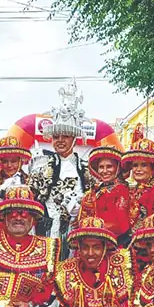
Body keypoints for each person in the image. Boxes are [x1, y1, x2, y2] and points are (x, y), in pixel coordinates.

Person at [29, 82, 90, 257]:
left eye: (66, 136)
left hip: (75, 231)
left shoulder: (86, 169)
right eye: (56, 137)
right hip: (45, 231)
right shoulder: (41, 167)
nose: (60, 140)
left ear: (74, 139)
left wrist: (82, 208)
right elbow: (32, 200)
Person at [77, 146, 132, 245]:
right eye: (101, 167)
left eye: (109, 166)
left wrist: (93, 228)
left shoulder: (121, 191)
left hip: (114, 243)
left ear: (118, 168)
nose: (105, 171)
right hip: (91, 241)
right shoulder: (94, 191)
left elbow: (121, 224)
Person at [122, 132, 154, 229]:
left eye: (144, 165)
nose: (138, 169)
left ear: (153, 168)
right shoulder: (132, 190)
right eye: (135, 165)